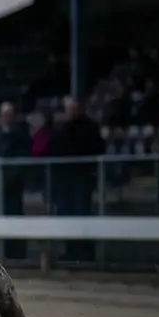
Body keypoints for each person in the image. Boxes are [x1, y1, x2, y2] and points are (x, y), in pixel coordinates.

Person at [48, 96, 105, 262]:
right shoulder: (61, 128)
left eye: (74, 108)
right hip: (65, 181)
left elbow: (96, 148)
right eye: (69, 109)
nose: (71, 112)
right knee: (67, 215)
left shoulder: (89, 127)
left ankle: (86, 253)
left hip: (81, 179)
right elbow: (55, 148)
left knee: (82, 214)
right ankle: (71, 251)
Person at [0, 101, 33, 258]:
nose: (6, 118)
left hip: (14, 184)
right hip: (0, 184)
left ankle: (16, 253)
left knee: (15, 215)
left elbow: (22, 157)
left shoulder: (20, 134)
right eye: (3, 115)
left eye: (9, 114)